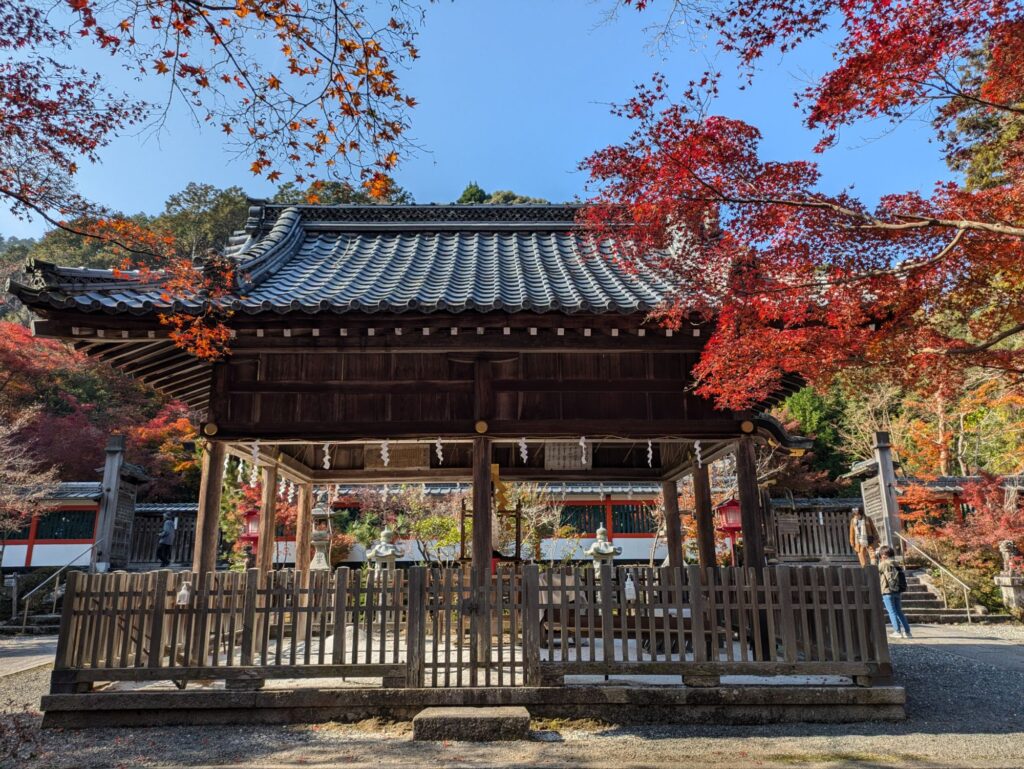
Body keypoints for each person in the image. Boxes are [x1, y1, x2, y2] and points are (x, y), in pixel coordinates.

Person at [878, 546, 912, 639]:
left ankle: (897, 631)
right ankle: (908, 632)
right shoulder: (896, 564)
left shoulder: (884, 564)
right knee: (899, 612)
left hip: (887, 591)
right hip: (897, 591)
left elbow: (876, 570)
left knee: (892, 612)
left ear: (883, 555)